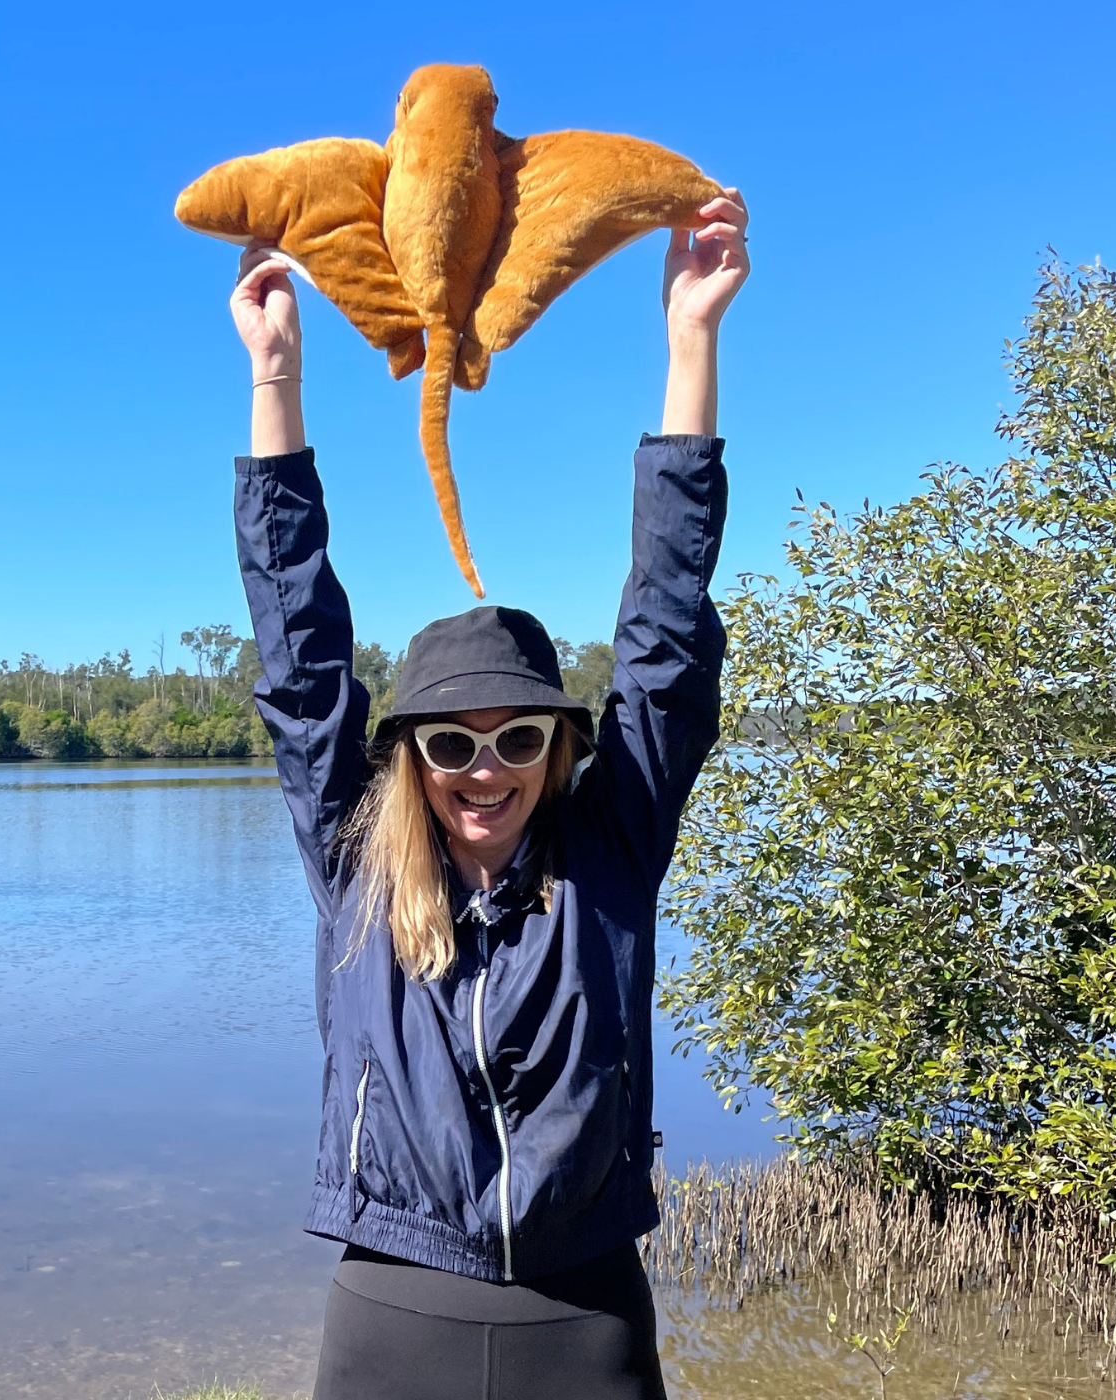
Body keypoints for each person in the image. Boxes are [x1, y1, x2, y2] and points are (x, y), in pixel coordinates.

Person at [225, 191, 749, 1400]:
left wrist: (690, 342)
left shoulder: (607, 850)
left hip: (583, 1308)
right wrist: (273, 381)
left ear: (555, 745)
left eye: (517, 734)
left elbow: (663, 638)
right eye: (448, 744)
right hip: (392, 1301)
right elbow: (300, 655)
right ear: (405, 754)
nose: (484, 767)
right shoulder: (357, 856)